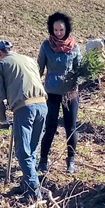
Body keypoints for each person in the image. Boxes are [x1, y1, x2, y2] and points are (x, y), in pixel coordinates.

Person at [0, 40, 48, 200]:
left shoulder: (1, 65)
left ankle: (33, 190)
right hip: (43, 106)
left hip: (24, 108)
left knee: (23, 152)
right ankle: (27, 182)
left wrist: (2, 119)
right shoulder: (29, 60)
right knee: (32, 149)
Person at [37, 12, 82, 174]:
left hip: (70, 94)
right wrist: (35, 88)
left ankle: (71, 162)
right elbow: (39, 69)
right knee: (50, 126)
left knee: (71, 128)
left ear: (66, 29)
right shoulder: (46, 46)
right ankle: (43, 161)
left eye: (61, 30)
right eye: (55, 30)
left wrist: (84, 77)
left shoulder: (74, 47)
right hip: (51, 93)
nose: (58, 33)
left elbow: (80, 70)